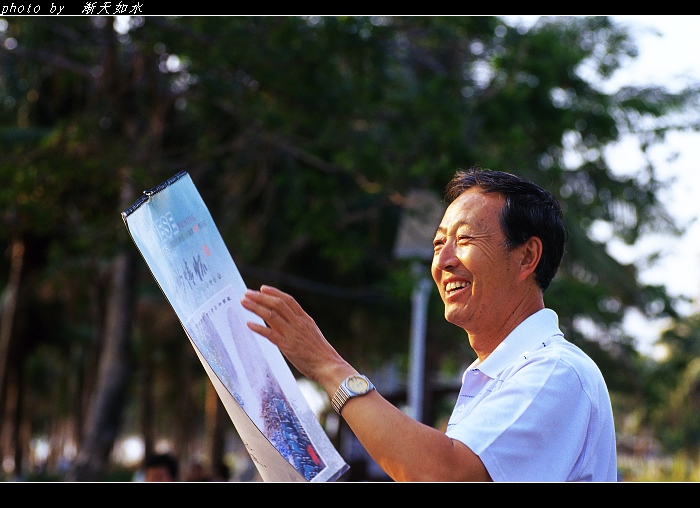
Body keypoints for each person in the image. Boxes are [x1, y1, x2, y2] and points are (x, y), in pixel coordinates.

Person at [241, 166, 618, 482]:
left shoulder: (555, 371)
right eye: (439, 245)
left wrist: (326, 365)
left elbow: (445, 474)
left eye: (464, 239)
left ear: (526, 257)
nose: (444, 261)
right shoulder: (496, 375)